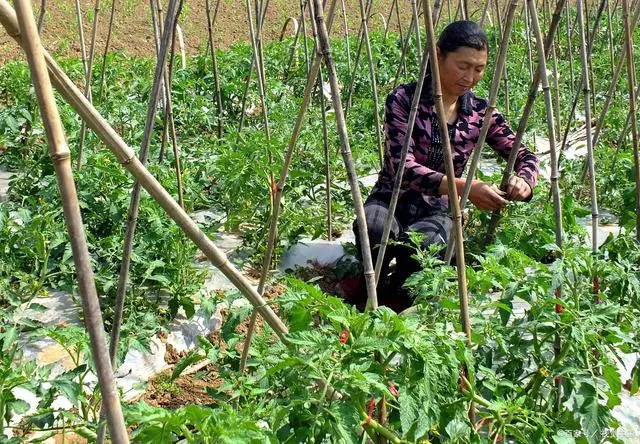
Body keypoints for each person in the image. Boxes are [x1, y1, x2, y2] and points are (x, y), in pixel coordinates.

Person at [351, 20, 540, 312]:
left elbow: (525, 156)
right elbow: (402, 166)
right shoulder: (405, 100)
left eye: (479, 69)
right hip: (392, 197)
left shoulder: (479, 112)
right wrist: (466, 188)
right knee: (373, 228)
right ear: (438, 55)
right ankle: (369, 286)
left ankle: (403, 289)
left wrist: (524, 182)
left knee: (425, 246)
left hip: (439, 208)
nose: (470, 77)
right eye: (463, 66)